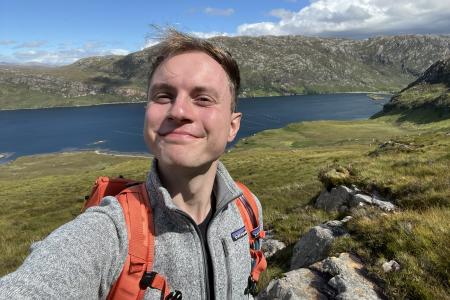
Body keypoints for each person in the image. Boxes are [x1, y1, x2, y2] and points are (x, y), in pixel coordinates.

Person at [0, 30, 264, 299]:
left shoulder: (248, 210)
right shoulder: (107, 233)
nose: (179, 111)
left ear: (233, 126)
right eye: (163, 96)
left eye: (203, 98)